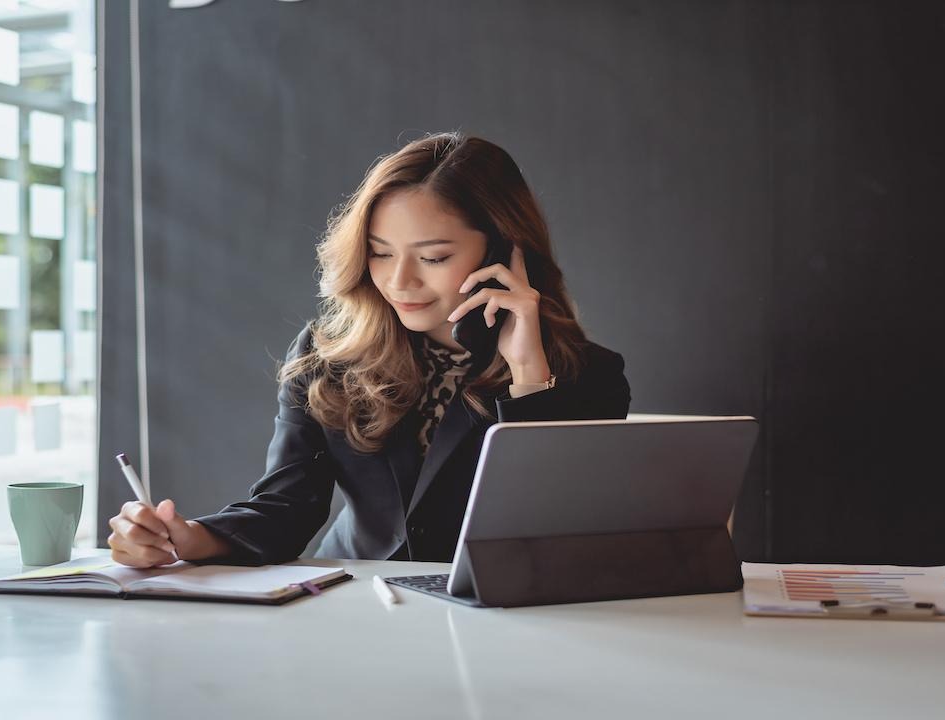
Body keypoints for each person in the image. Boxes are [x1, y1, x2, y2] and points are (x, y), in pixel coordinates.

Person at [108, 132, 631, 568]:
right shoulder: (328, 355)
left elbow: (555, 533)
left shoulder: (587, 375)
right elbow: (285, 506)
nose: (398, 281)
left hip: (501, 623)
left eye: (434, 257)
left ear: (502, 250)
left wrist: (527, 376)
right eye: (380, 254)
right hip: (356, 606)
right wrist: (183, 537)